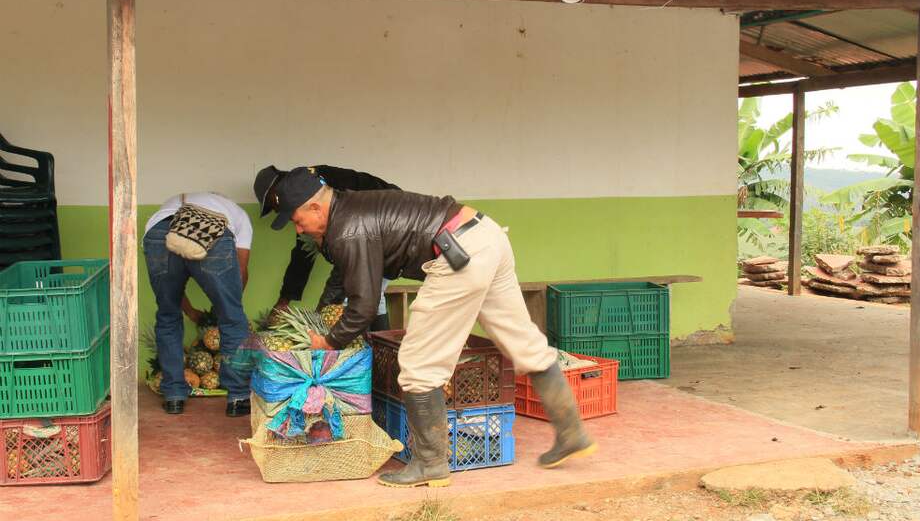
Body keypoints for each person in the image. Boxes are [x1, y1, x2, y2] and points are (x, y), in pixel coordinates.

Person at [270, 168, 597, 488]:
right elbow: (352, 280)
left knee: (417, 362)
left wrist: (331, 341)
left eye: (298, 221)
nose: (299, 231)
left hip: (457, 255)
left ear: (315, 206)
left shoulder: (348, 226)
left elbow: (364, 306)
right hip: (485, 235)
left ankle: (430, 463)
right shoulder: (352, 210)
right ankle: (571, 433)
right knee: (523, 341)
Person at [143, 192, 253, 417]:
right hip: (214, 233)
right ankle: (238, 397)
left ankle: (173, 395)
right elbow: (240, 270)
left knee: (167, 315)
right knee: (233, 318)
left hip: (158, 232)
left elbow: (172, 292)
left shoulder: (171, 203)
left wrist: (191, 311)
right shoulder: (237, 213)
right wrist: (228, 306)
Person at [253, 165, 399, 330]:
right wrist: (285, 300)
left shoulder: (312, 189)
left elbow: (344, 262)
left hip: (390, 221)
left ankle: (368, 352)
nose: (278, 210)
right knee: (372, 296)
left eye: (274, 204)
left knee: (354, 299)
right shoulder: (305, 190)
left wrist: (320, 316)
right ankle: (379, 351)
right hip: (381, 225)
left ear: (277, 189)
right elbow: (304, 252)